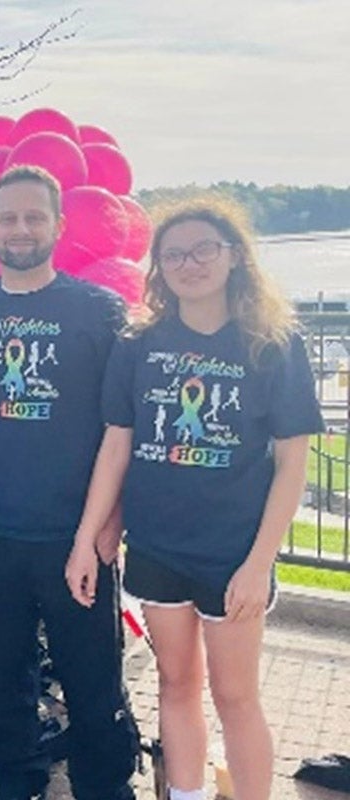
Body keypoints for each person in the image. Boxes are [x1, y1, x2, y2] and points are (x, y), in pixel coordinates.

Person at [66, 197, 323, 800]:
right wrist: (85, 539)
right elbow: (117, 445)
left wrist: (260, 564)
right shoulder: (138, 342)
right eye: (175, 254)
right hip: (157, 548)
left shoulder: (271, 343)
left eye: (205, 248)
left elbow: (292, 465)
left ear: (234, 256)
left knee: (236, 697)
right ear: (159, 267)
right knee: (175, 685)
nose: (191, 263)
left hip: (233, 553)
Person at [0, 165, 139, 800]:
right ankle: (19, 776)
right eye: (8, 217)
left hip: (76, 534)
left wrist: (109, 524)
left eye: (34, 217)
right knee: (3, 675)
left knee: (92, 678)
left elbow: (123, 427)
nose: (21, 229)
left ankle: (104, 786)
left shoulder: (99, 311)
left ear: (58, 225)